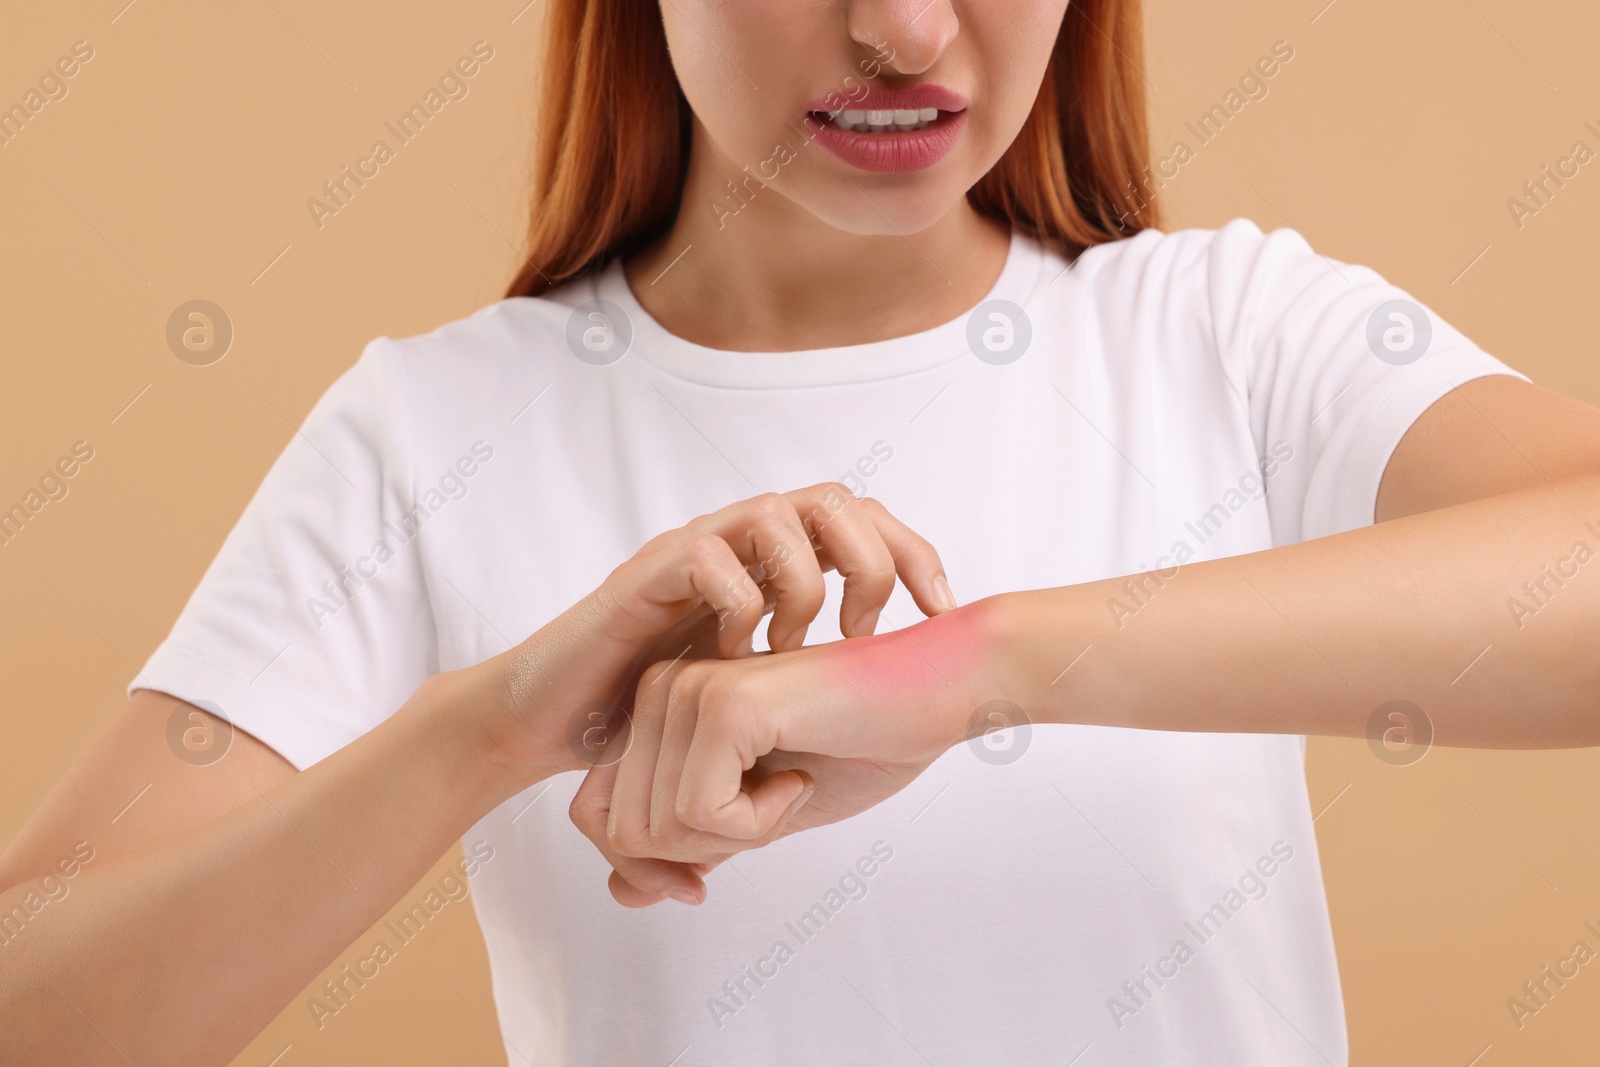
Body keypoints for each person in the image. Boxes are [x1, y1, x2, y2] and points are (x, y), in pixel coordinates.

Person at [4, 0, 1598, 1064]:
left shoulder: (1228, 333)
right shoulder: (431, 429)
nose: (905, 29)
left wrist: (979, 666)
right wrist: (490, 726)